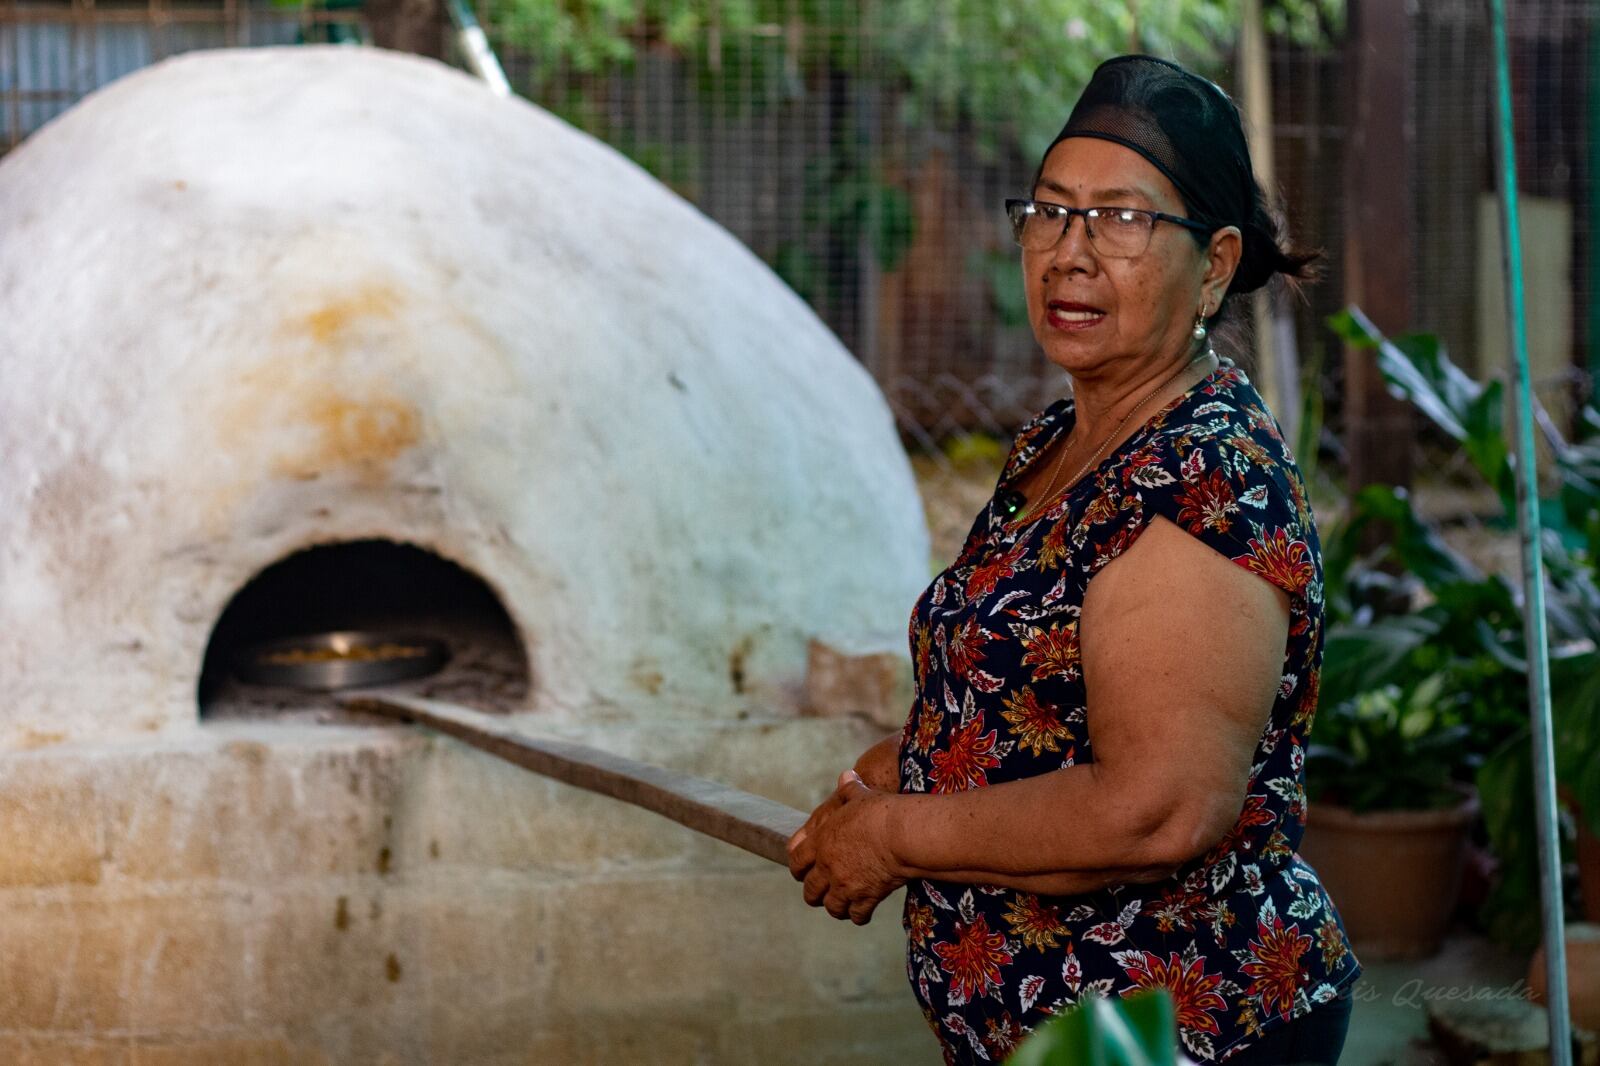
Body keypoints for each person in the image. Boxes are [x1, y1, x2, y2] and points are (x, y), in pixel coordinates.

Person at [787, 54, 1361, 1065]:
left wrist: (892, 835)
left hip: (1166, 1021)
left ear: (1215, 263)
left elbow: (1157, 808)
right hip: (1060, 1025)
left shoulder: (1205, 475)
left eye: (1123, 219)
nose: (1070, 252)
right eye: (1048, 212)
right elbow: (1029, 692)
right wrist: (896, 765)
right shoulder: (1059, 442)